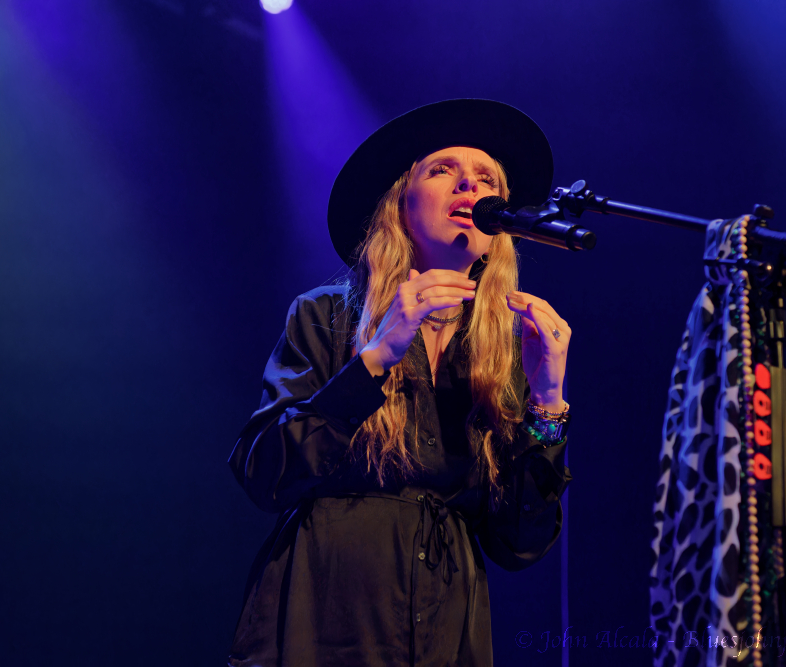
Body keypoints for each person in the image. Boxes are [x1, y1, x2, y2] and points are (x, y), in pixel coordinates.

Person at [226, 99, 572, 667]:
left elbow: (520, 543)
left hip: (445, 623)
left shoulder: (509, 348)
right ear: (399, 203)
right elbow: (264, 474)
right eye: (443, 170)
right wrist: (377, 357)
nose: (470, 186)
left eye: (487, 179)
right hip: (326, 614)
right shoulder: (326, 316)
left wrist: (548, 403)